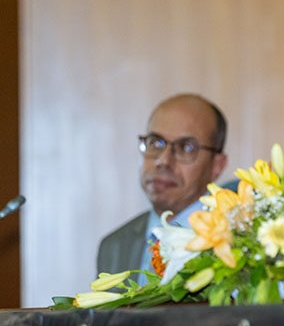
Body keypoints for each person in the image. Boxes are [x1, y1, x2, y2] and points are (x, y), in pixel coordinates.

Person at [97, 94, 229, 276]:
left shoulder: (237, 240)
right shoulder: (115, 246)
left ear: (217, 166)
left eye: (186, 147)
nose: (163, 161)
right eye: (156, 143)